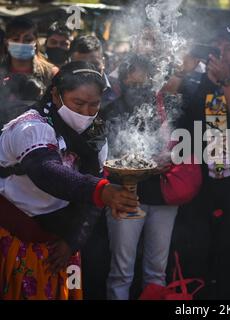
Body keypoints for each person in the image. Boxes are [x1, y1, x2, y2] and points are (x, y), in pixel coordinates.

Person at [0, 61, 139, 300]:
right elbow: (47, 172)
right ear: (56, 95)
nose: (86, 112)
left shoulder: (95, 133)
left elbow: (92, 196)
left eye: (94, 105)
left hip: (60, 243)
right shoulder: (31, 126)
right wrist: (102, 191)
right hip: (14, 235)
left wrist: (72, 241)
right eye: (78, 103)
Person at [173, 24, 230, 299]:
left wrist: (226, 82)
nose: (222, 53)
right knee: (194, 247)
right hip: (195, 179)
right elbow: (164, 104)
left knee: (229, 248)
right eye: (216, 47)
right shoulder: (193, 80)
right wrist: (183, 69)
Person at [101, 53, 182, 300]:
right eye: (133, 84)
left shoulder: (168, 107)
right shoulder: (110, 110)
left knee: (157, 272)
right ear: (123, 79)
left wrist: (169, 158)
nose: (139, 90)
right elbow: (102, 156)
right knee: (121, 272)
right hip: (124, 196)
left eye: (144, 84)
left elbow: (185, 145)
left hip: (163, 196)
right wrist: (129, 162)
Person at [0, 17, 58, 87]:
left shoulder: (50, 74)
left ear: (35, 42)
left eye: (28, 40)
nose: (21, 43)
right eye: (15, 39)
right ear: (6, 42)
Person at [69, 35, 117, 106]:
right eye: (81, 65)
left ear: (103, 63)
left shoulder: (119, 89)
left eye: (94, 64)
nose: (89, 71)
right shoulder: (62, 93)